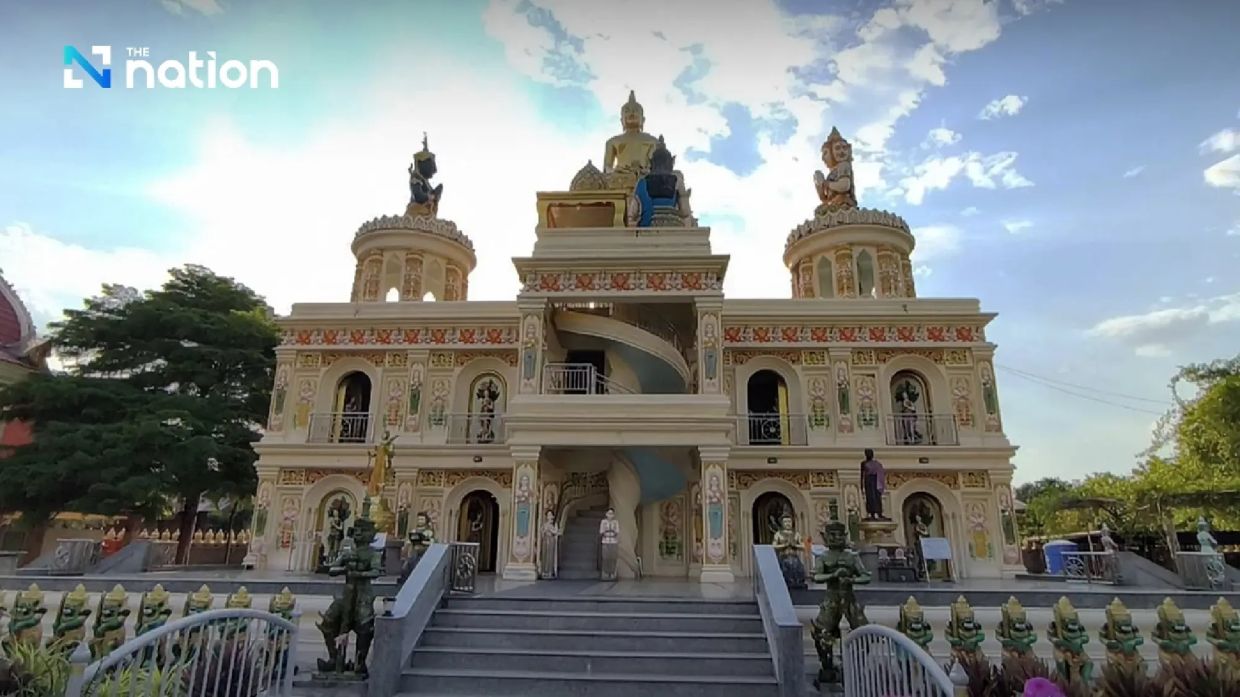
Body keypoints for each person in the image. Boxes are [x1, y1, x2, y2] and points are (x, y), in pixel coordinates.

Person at [860, 449, 887, 519]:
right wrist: (861, 485)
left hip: (876, 480)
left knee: (877, 497)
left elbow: (881, 473)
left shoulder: (877, 464)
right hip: (868, 481)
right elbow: (862, 475)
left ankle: (879, 512)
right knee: (870, 497)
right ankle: (871, 513)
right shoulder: (863, 463)